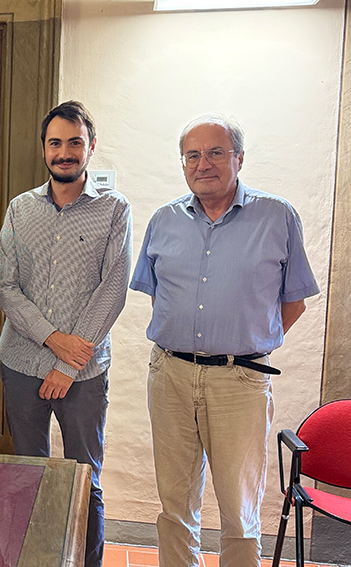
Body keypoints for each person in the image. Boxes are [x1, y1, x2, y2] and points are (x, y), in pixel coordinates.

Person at [130, 114, 320, 567]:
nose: (203, 164)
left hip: (240, 382)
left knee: (239, 509)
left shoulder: (277, 216)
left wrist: (245, 343)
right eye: (192, 155)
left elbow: (294, 303)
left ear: (239, 158)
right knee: (175, 505)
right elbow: (159, 297)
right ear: (182, 163)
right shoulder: (164, 220)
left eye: (216, 152)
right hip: (171, 375)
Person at [0, 101, 131, 567]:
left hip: (84, 374)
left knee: (84, 480)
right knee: (29, 476)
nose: (65, 152)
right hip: (21, 364)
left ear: (91, 147)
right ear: (44, 149)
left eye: (75, 142)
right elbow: (5, 286)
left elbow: (112, 290)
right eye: (56, 143)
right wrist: (54, 340)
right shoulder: (20, 209)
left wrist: (67, 365)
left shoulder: (114, 210)